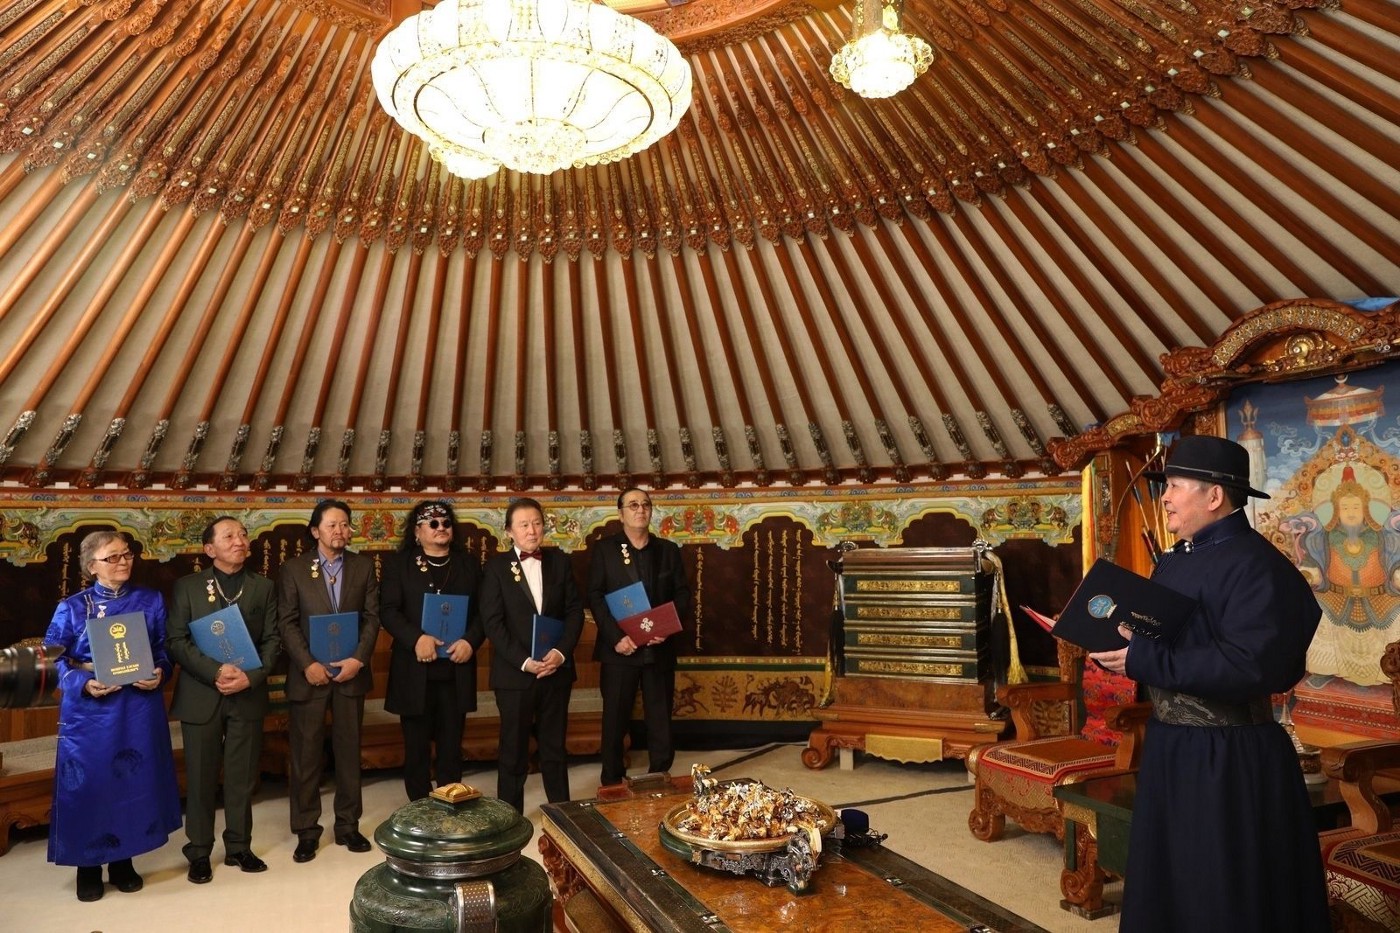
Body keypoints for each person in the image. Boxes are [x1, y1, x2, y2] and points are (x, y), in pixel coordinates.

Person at [1089, 435, 1329, 932]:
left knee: (1220, 893)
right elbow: (1171, 640)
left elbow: (1252, 666)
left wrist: (1143, 657)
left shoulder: (1260, 567)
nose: (1166, 498)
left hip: (1230, 757)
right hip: (1171, 746)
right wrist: (1119, 643)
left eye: (1175, 485)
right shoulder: (1176, 559)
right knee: (1171, 886)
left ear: (1214, 495)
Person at [44, 530, 181, 902]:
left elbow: (163, 649)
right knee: (91, 784)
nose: (123, 562)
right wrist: (83, 682)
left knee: (132, 783)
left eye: (127, 554)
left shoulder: (150, 600)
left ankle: (124, 861)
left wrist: (161, 673)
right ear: (92, 566)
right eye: (112, 557)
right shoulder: (73, 607)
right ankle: (87, 866)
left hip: (137, 707)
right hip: (90, 710)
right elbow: (51, 658)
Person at [166, 516, 282, 883]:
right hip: (202, 694)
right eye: (229, 536)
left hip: (247, 693)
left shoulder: (263, 587)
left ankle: (239, 846)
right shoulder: (187, 587)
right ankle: (199, 851)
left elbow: (273, 640)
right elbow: (176, 640)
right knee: (200, 777)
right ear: (209, 549)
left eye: (243, 534)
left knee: (242, 776)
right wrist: (215, 671)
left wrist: (251, 677)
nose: (239, 540)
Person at [275, 499, 381, 862]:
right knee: (306, 756)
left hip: (350, 673)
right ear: (315, 530)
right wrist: (307, 664)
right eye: (332, 525)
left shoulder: (363, 567)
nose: (340, 530)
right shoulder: (293, 569)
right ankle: (306, 830)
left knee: (349, 753)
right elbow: (286, 621)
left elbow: (372, 618)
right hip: (310, 675)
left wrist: (358, 660)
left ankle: (348, 826)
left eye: (345, 524)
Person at [478, 497, 583, 812]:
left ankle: (562, 814)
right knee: (513, 751)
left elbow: (574, 612)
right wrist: (524, 661)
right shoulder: (496, 568)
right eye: (524, 525)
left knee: (554, 748)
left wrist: (560, 653)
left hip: (555, 670)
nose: (532, 530)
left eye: (537, 523)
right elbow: (493, 623)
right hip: (515, 675)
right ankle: (510, 819)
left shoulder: (560, 561)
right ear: (509, 531)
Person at [379, 500, 485, 801]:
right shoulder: (399, 565)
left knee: (451, 747)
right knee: (416, 749)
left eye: (446, 523)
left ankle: (450, 806)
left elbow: (484, 612)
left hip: (456, 667)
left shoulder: (468, 564)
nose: (441, 528)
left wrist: (470, 641)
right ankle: (420, 810)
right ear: (417, 531)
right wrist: (416, 639)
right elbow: (388, 610)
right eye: (433, 523)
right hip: (414, 669)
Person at [588, 487, 691, 786]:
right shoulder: (605, 550)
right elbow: (595, 596)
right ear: (620, 514)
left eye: (645, 504)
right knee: (615, 719)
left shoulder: (667, 550)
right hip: (620, 649)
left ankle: (659, 778)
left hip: (659, 648)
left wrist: (665, 628)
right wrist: (615, 637)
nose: (640, 510)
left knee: (660, 719)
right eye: (633, 505)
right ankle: (611, 781)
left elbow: (682, 594)